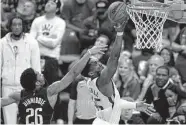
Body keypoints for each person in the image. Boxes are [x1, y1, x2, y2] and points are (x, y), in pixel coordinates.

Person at [0, 45, 107, 124]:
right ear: (37, 83)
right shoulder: (50, 91)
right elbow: (73, 73)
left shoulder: (18, 95)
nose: (41, 73)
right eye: (39, 75)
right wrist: (88, 53)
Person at [81, 16, 153, 124]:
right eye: (95, 63)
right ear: (91, 72)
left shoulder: (90, 82)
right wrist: (119, 34)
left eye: (97, 61)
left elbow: (116, 102)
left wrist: (135, 105)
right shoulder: (103, 80)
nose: (99, 63)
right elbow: (114, 57)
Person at [0, 15, 41, 124]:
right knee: (9, 121)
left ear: (23, 27)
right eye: (14, 24)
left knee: (28, 120)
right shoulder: (2, 43)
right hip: (7, 86)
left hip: (26, 88)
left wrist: (36, 87)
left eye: (19, 24)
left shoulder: (32, 43)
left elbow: (36, 67)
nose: (17, 27)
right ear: (10, 27)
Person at [30, 0, 66, 85]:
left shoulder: (60, 22)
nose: (48, 4)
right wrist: (48, 38)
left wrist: (38, 37)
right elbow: (31, 41)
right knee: (34, 89)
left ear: (57, 9)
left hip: (51, 59)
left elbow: (53, 44)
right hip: (36, 57)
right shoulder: (37, 20)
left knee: (51, 89)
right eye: (47, 2)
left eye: (52, 3)